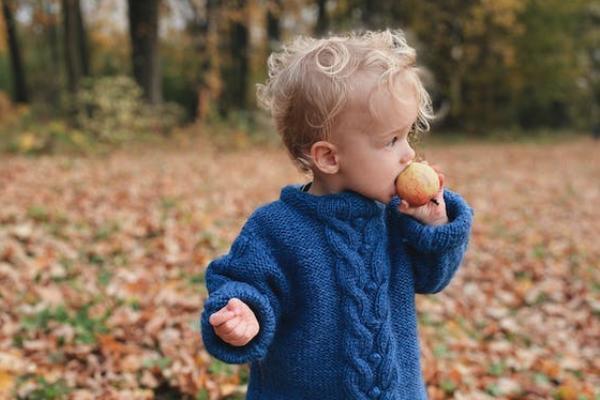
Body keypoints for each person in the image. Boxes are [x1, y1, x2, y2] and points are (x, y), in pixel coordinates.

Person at [200, 29, 473, 399]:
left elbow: (432, 277)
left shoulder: (396, 218)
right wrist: (243, 316)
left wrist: (435, 224)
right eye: (391, 141)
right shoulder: (277, 229)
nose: (408, 154)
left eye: (408, 136)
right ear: (329, 157)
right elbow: (243, 285)